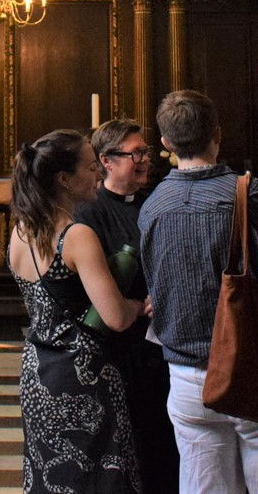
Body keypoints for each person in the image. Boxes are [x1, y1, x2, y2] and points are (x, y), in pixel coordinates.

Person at [138, 90, 258, 493]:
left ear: (165, 144)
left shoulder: (152, 205)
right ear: (218, 134)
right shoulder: (246, 193)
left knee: (205, 486)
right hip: (246, 360)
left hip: (183, 372)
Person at [8, 129, 146, 493]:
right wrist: (136, 305)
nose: (98, 174)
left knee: (51, 474)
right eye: (89, 167)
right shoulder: (76, 235)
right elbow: (115, 317)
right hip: (83, 375)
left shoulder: (21, 230)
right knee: (97, 478)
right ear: (64, 180)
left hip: (38, 368)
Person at [74, 118, 178, 492]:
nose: (145, 160)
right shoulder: (89, 214)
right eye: (135, 153)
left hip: (162, 344)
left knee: (165, 447)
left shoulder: (155, 202)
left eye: (145, 152)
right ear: (107, 161)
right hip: (122, 350)